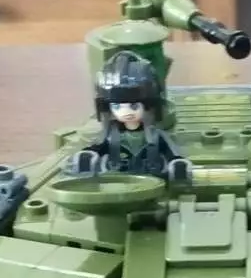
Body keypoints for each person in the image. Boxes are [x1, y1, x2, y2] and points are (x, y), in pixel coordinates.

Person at [72, 51, 190, 182]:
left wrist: (177, 163)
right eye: (117, 107)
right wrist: (88, 155)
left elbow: (171, 152)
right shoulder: (110, 134)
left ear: (148, 105)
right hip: (116, 179)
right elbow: (98, 147)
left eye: (134, 106)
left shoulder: (155, 135)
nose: (126, 112)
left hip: (152, 178)